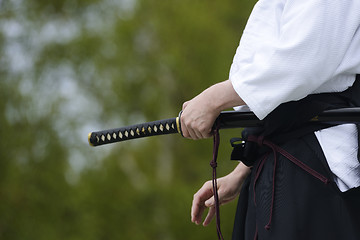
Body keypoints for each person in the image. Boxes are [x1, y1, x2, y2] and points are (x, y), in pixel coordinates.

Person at [180, 1, 360, 239]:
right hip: (279, 164)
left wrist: (213, 99)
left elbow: (300, 62)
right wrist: (240, 172)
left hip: (314, 169)